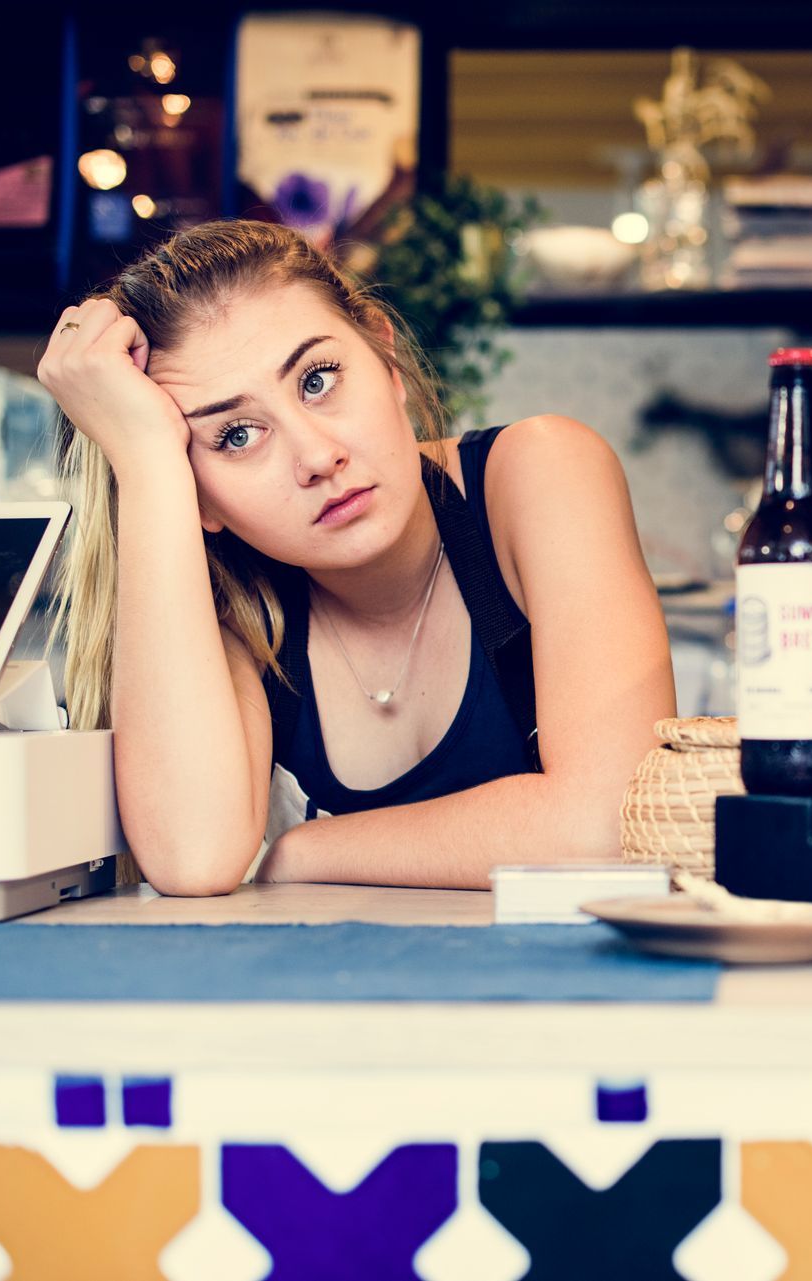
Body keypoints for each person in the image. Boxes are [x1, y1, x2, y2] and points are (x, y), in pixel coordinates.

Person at [39, 220, 674, 896]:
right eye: (236, 434)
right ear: (199, 497)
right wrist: (145, 462)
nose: (317, 457)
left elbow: (611, 825)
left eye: (317, 380)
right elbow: (193, 856)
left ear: (384, 355)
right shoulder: (238, 614)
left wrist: (300, 851)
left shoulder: (541, 473)